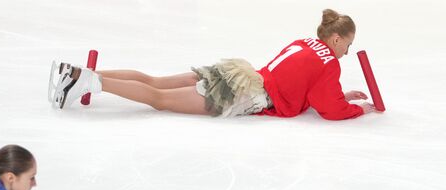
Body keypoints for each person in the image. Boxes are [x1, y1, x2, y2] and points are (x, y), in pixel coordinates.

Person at [48, 9, 380, 120]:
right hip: (245, 94)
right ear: (337, 39)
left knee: (156, 82)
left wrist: (343, 94)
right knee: (158, 99)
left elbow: (306, 87)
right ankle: (85, 81)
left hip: (239, 72)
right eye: (347, 45)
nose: (346, 53)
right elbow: (329, 109)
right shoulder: (329, 64)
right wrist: (359, 110)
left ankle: (78, 73)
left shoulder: (304, 43)